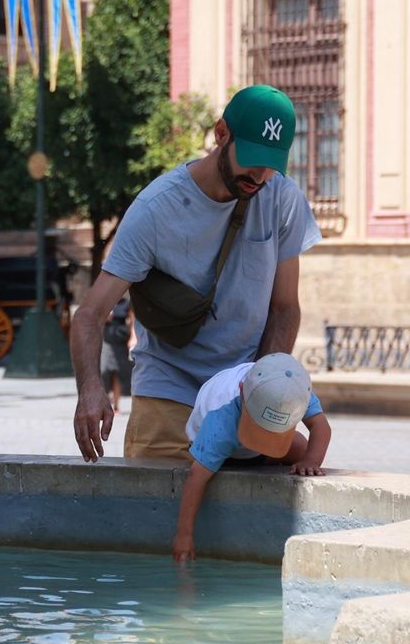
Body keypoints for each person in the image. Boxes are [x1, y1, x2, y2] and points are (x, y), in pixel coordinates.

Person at [71, 85, 322, 463]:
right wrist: (91, 389)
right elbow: (90, 314)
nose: (259, 174)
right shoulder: (155, 209)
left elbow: (285, 309)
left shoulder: (281, 198)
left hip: (240, 398)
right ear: (221, 135)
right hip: (169, 395)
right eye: (252, 158)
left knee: (255, 519)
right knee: (156, 518)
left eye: (271, 163)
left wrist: (259, 389)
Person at [173, 353, 331, 563]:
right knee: (206, 467)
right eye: (260, 429)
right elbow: (196, 478)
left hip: (255, 447)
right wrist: (184, 536)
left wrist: (311, 461)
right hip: (225, 451)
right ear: (242, 391)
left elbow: (321, 426)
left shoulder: (294, 392)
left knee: (303, 448)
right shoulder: (220, 420)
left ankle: (276, 441)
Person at [100, 297, 134, 413]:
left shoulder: (125, 304)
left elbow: (132, 321)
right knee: (104, 370)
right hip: (106, 339)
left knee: (117, 372)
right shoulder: (104, 300)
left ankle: (116, 405)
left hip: (120, 340)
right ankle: (105, 399)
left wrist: (132, 337)